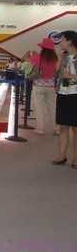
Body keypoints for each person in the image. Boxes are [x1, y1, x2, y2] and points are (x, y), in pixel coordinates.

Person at [52, 30, 77, 168]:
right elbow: (56, 72)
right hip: (63, 93)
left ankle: (76, 158)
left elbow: (68, 75)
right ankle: (62, 156)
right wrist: (60, 59)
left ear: (69, 41)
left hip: (75, 95)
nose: (59, 42)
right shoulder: (64, 56)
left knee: (76, 128)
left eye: (62, 39)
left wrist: (71, 77)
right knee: (63, 126)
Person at [27, 38, 59, 135]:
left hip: (38, 86)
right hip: (51, 86)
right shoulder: (56, 59)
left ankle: (40, 128)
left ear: (42, 48)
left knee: (39, 108)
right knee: (52, 108)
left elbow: (31, 69)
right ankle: (56, 129)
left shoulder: (37, 58)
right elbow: (56, 73)